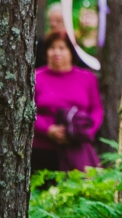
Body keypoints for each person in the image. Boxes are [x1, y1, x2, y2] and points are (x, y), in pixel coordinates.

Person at [33, 30, 104, 172]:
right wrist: (48, 130)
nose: (56, 52)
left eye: (62, 48)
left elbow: (97, 109)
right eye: (52, 48)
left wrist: (86, 130)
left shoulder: (87, 78)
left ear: (71, 52)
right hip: (42, 150)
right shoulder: (35, 77)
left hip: (77, 149)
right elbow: (27, 110)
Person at [34, 3, 88, 69]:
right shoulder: (41, 43)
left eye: (57, 20)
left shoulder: (73, 43)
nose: (53, 24)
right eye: (50, 20)